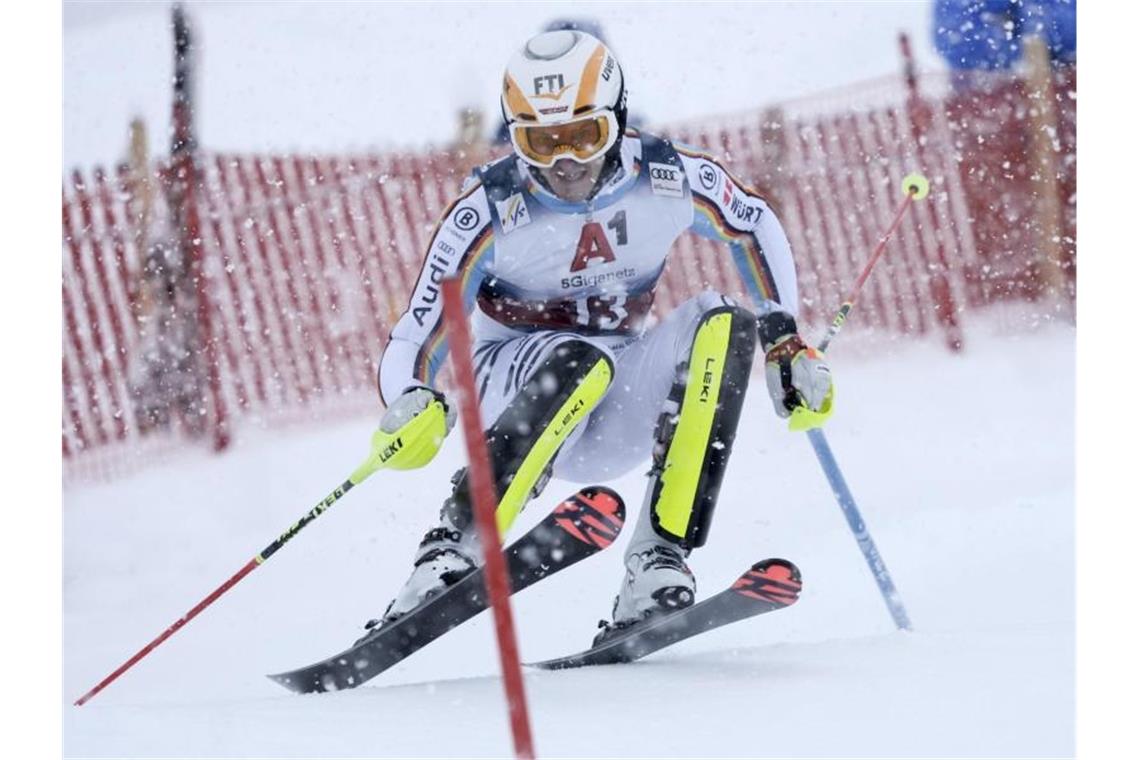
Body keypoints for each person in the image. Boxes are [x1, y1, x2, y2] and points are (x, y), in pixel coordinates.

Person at [370, 30, 832, 643]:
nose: (563, 162)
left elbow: (751, 223)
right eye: (540, 142)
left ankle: (657, 561)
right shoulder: (489, 208)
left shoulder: (665, 178)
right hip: (512, 389)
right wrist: (411, 396)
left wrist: (785, 339)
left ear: (616, 120)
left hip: (616, 399)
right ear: (514, 136)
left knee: (724, 320)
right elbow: (416, 332)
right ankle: (452, 549)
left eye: (583, 136)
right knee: (582, 358)